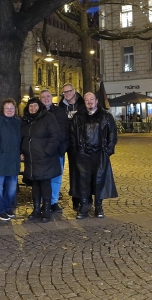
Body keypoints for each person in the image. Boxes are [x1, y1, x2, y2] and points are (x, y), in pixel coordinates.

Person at [69, 92, 118, 219]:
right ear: (84, 102)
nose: (89, 102)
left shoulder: (106, 116)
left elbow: (112, 134)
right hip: (83, 154)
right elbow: (73, 134)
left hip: (100, 154)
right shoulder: (78, 117)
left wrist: (108, 150)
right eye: (86, 100)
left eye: (91, 99)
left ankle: (98, 206)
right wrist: (76, 151)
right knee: (83, 181)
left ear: (96, 101)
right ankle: (84, 206)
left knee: (99, 180)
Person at [21, 97, 61, 223]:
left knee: (45, 184)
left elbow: (55, 136)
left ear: (40, 106)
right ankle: (37, 209)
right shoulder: (26, 120)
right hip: (31, 159)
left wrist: (46, 151)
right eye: (30, 106)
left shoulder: (48, 118)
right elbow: (22, 138)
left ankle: (47, 210)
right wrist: (21, 152)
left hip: (44, 158)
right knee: (35, 185)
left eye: (35, 106)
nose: (33, 108)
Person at [0, 98, 22, 221]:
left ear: (15, 109)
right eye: (7, 108)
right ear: (3, 110)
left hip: (13, 159)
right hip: (1, 159)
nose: (9, 110)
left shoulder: (18, 122)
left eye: (11, 108)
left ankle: (8, 206)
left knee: (12, 186)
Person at [39, 90, 69, 213]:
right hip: (41, 152)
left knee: (56, 177)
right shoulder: (37, 112)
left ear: (52, 98)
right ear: (40, 99)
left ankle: (53, 201)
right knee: (43, 178)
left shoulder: (59, 112)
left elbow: (63, 131)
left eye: (48, 96)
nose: (46, 99)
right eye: (43, 97)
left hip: (57, 150)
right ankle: (44, 201)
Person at [58, 83, 86, 211]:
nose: (67, 94)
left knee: (78, 171)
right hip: (65, 142)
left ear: (74, 91)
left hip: (79, 142)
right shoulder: (61, 106)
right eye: (64, 92)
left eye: (69, 91)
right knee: (60, 169)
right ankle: (73, 197)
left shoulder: (82, 104)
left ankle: (80, 198)